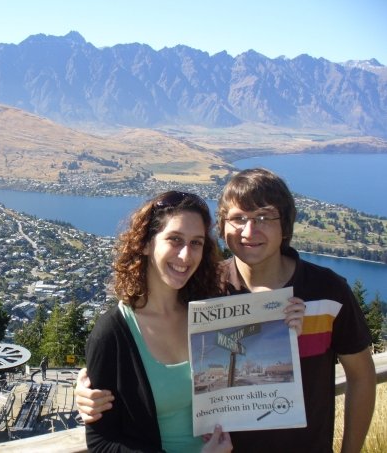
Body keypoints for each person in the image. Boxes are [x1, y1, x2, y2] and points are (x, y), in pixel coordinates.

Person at [76, 168, 376, 453]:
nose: (250, 230)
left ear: (285, 225)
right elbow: (145, 350)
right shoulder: (205, 292)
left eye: (264, 216)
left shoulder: (327, 291)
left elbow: (361, 377)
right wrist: (89, 393)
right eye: (238, 218)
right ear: (222, 228)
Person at [86, 191, 242, 452]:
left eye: (196, 243)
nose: (185, 256)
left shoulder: (211, 315)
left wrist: (287, 320)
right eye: (175, 240)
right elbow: (101, 444)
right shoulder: (113, 334)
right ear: (146, 244)